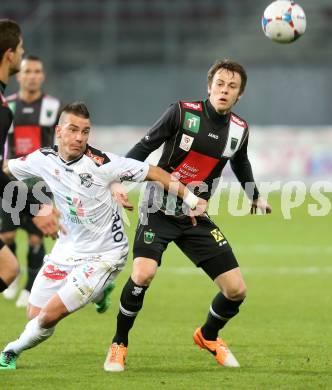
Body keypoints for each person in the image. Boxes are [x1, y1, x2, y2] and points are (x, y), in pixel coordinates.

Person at [0, 101, 207, 370]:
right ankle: (100, 292)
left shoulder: (105, 164)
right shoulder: (41, 159)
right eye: (73, 130)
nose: (79, 137)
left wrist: (192, 198)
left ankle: (10, 351)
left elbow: (155, 172)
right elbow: (6, 168)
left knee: (50, 315)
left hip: (105, 255)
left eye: (85, 131)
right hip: (67, 248)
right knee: (35, 314)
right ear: (59, 131)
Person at [105, 59, 272, 372]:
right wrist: (116, 180)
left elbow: (241, 163)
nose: (224, 90)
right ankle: (118, 343)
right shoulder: (181, 112)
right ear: (209, 86)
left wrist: (254, 196)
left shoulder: (239, 130)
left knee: (236, 290)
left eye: (232, 86)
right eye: (220, 83)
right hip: (157, 208)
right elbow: (144, 148)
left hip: (195, 215)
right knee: (143, 275)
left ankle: (208, 335)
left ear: (240, 95)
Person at [0, 19, 60, 296]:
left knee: (8, 267)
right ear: (10, 54)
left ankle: (27, 290)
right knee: (7, 257)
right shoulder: (5, 108)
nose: (23, 54)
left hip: (36, 180)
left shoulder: (51, 106)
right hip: (13, 179)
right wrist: (35, 208)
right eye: (21, 49)